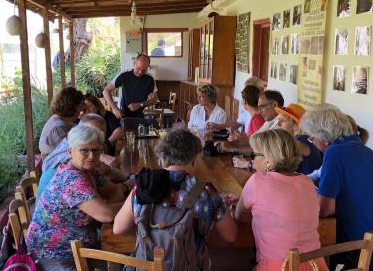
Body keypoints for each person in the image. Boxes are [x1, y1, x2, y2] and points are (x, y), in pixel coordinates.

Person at [113, 129, 237, 269]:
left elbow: (118, 228)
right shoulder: (207, 192)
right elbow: (230, 236)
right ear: (194, 161)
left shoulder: (143, 187)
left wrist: (149, 230)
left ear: (161, 160)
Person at [27, 125, 124, 270]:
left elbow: (114, 191)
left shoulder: (89, 171)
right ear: (70, 151)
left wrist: (103, 209)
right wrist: (132, 203)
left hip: (81, 245)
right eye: (84, 150)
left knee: (125, 259)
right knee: (126, 262)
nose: (91, 156)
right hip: (54, 254)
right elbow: (107, 215)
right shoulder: (71, 178)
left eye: (96, 150)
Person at [300, 105, 373, 270]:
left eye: (311, 138)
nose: (313, 143)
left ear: (323, 138)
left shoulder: (335, 153)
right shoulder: (372, 154)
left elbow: (325, 209)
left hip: (358, 248)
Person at [233, 129, 328, 271]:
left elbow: (240, 216)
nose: (252, 160)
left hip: (279, 267)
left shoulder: (257, 181)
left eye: (254, 155)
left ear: (268, 160)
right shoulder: (307, 182)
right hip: (316, 266)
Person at [38, 114, 133, 204]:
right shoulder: (72, 161)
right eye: (92, 133)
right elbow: (104, 213)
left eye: (102, 134)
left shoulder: (83, 151)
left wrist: (131, 178)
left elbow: (107, 172)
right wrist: (125, 186)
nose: (98, 138)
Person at [103, 54, 158, 119]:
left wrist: (140, 104)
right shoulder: (124, 75)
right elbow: (106, 91)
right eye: (138, 68)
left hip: (140, 115)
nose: (140, 72)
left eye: (144, 70)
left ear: (147, 67)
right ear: (134, 63)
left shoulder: (150, 79)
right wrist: (114, 108)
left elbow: (154, 99)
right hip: (122, 114)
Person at [39, 86, 84, 158]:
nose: (82, 109)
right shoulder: (58, 127)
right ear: (72, 106)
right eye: (80, 106)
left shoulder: (60, 120)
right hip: (56, 166)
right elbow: (70, 153)